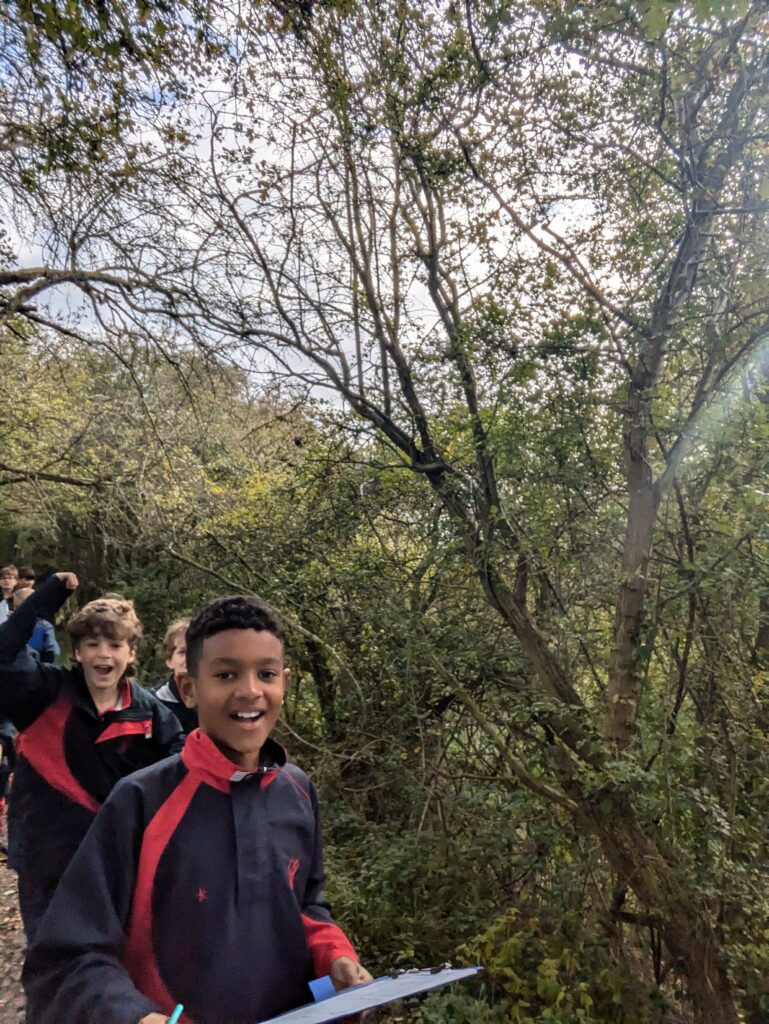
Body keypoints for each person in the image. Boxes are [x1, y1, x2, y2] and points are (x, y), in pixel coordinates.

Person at [24, 592, 372, 1024]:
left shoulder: (296, 791)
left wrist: (335, 957)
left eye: (265, 673)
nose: (249, 691)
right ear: (189, 688)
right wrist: (135, 1016)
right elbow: (68, 957)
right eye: (226, 674)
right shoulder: (141, 802)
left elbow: (306, 906)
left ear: (284, 682)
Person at [0, 571, 185, 942]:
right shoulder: (43, 692)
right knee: (51, 962)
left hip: (112, 861)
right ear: (78, 651)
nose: (103, 653)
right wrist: (48, 595)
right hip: (45, 860)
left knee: (108, 955)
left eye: (115, 645)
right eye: (93, 643)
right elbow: (3, 651)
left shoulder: (148, 711)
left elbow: (180, 761)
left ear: (131, 653)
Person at [152, 617, 198, 733]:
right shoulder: (154, 703)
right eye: (182, 652)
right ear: (169, 660)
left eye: (196, 651)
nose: (189, 658)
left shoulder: (217, 700)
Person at [11, 586, 60, 664]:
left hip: (36, 669)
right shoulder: (9, 626)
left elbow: (51, 654)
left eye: (24, 607)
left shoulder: (45, 627)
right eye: (16, 607)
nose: (20, 611)